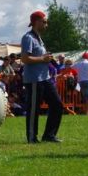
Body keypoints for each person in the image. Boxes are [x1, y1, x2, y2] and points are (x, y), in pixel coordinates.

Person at [20, 10, 63, 143]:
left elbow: (40, 57)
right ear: (36, 22)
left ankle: (49, 135)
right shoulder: (28, 38)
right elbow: (25, 59)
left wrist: (47, 58)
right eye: (44, 22)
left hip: (45, 78)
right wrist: (42, 58)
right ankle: (32, 138)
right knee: (34, 110)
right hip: (33, 80)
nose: (46, 24)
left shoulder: (39, 38)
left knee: (57, 105)